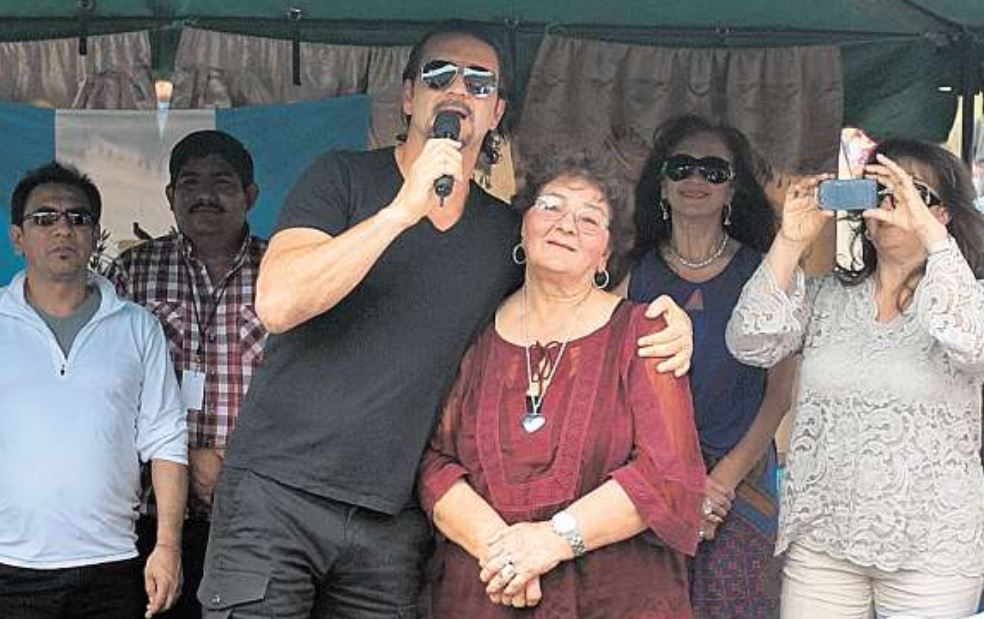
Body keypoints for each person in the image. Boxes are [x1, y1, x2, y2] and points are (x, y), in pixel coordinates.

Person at [198, 22, 693, 619]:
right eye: (439, 74)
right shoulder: (341, 178)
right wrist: (403, 209)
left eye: (480, 83)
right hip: (278, 495)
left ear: (496, 112)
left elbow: (560, 293)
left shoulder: (501, 234)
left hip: (392, 518)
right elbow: (278, 303)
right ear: (408, 97)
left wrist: (663, 320)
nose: (459, 88)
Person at [418, 155, 706, 617]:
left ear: (605, 256)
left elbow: (666, 475)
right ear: (523, 227)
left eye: (590, 218)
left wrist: (552, 541)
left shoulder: (645, 332)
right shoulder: (471, 331)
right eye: (551, 206)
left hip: (613, 599)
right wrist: (506, 553)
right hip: (487, 592)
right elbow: (434, 463)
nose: (567, 224)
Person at [726, 139, 984, 618]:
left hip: (932, 549)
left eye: (907, 192)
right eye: (877, 191)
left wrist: (929, 236)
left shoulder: (968, 296)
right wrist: (790, 241)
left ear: (943, 213)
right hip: (823, 542)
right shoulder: (828, 297)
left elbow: (974, 344)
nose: (888, 203)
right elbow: (750, 342)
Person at [0, 161, 188, 618]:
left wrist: (167, 547)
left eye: (77, 217)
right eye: (44, 218)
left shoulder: (137, 327)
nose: (62, 228)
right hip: (9, 565)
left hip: (112, 562)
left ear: (95, 233)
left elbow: (166, 440)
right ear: (17, 237)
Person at [626, 115, 795, 618]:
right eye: (681, 167)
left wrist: (719, 483)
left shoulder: (766, 273)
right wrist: (672, 482)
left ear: (732, 189)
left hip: (740, 486)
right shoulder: (630, 274)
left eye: (713, 170)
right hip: (649, 486)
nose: (696, 179)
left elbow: (779, 395)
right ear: (662, 182)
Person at [109, 130, 267, 618]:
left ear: (249, 195)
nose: (204, 195)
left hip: (255, 512)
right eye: (189, 182)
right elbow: (108, 390)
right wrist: (185, 457)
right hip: (151, 518)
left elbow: (309, 389)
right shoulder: (134, 271)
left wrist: (231, 463)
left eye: (222, 182)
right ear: (170, 197)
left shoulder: (283, 270)